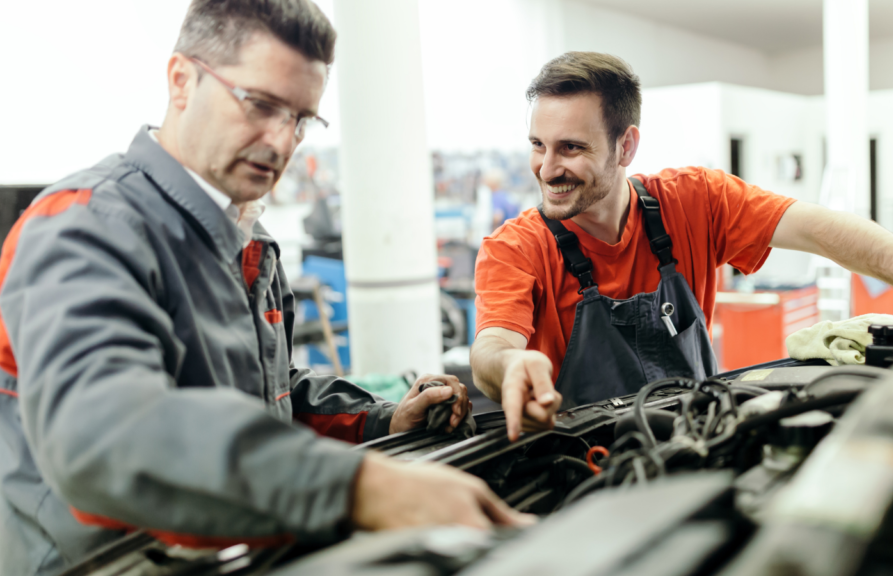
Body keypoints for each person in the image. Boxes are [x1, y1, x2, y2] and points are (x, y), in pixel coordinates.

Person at [0, 2, 528, 574]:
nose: (282, 142)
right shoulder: (86, 225)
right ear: (181, 81)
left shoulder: (248, 238)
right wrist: (357, 488)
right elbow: (102, 436)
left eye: (301, 119)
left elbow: (267, 396)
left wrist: (379, 421)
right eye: (261, 104)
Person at [470, 52, 893, 442]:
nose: (547, 168)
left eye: (571, 148)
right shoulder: (516, 248)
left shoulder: (693, 201)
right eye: (538, 146)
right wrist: (511, 366)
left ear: (626, 144)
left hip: (703, 441)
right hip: (582, 469)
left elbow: (820, 228)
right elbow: (493, 343)